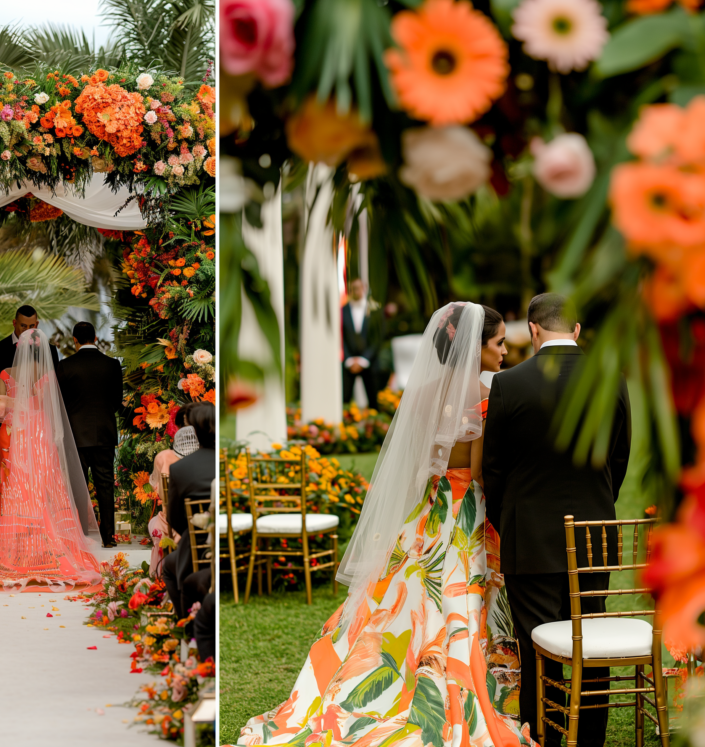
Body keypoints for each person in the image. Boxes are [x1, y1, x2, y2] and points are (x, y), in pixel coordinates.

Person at [236, 303, 523, 747]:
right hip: (466, 509)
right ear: (474, 346)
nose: (505, 351)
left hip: (427, 509)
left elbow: (415, 464)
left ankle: (394, 666)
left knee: (409, 593)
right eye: (499, 342)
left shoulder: (422, 392)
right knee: (461, 597)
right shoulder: (485, 396)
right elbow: (480, 472)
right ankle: (459, 679)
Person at [483, 293, 631, 747]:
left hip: (529, 538)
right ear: (577, 330)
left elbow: (493, 470)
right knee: (591, 638)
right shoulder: (611, 378)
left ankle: (545, 738)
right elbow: (619, 457)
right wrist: (596, 506)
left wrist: (510, 522)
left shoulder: (509, 384)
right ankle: (590, 741)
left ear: (532, 330)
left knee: (536, 649)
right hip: (592, 535)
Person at [0, 329, 100, 592]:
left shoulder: (6, 373)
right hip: (40, 434)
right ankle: (45, 547)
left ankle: (12, 547)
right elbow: (51, 410)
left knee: (12, 486)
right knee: (42, 487)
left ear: (19, 350)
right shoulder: (47, 376)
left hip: (13, 433)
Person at [58, 322, 124, 548]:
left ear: (74, 340)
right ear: (95, 338)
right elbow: (116, 401)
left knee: (79, 486)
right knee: (105, 484)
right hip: (104, 433)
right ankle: (109, 537)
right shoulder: (112, 364)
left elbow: (61, 403)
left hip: (76, 435)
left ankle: (81, 534)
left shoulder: (65, 366)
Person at [0, 306, 61, 478]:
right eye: (23, 326)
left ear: (37, 324)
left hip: (39, 428)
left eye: (31, 326)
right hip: (10, 429)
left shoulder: (49, 350)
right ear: (14, 323)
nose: (27, 330)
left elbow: (54, 392)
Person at [162, 403, 215, 618]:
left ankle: (185, 620)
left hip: (196, 548)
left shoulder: (181, 469)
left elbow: (174, 518)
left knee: (169, 565)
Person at [147, 405, 198, 577]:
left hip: (171, 523)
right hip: (200, 522)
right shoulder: (208, 457)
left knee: (156, 524)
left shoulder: (163, 457)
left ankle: (160, 575)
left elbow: (158, 490)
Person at [341, 279, 383, 406]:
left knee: (374, 401)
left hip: (370, 361)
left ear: (364, 288)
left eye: (358, 288)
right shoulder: (342, 311)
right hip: (348, 363)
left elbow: (378, 338)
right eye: (353, 288)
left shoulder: (375, 311)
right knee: (344, 400)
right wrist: (348, 359)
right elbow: (340, 337)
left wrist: (364, 359)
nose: (355, 291)